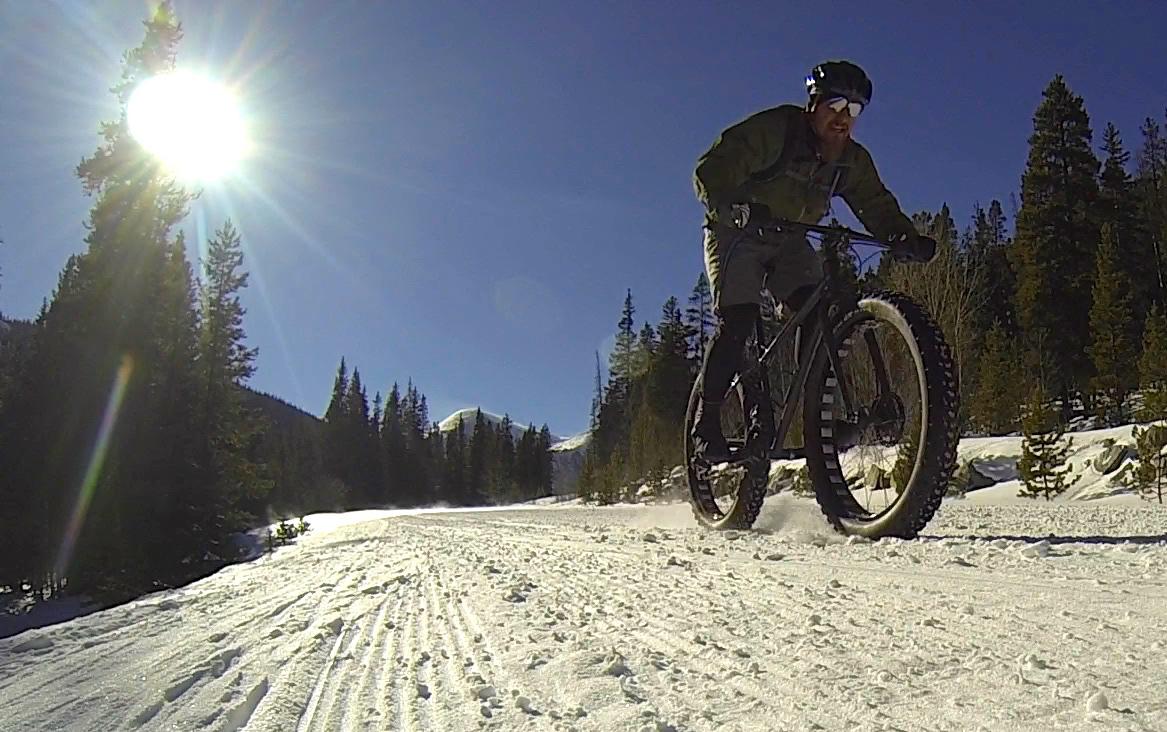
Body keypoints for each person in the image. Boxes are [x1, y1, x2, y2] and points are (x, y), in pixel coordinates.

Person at [690, 60, 936, 463]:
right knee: (738, 320)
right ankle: (706, 422)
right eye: (836, 105)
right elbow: (711, 170)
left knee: (818, 313)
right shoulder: (777, 130)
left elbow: (875, 204)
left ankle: (817, 415)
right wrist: (733, 207)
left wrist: (903, 237)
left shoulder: (851, 160)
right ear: (813, 104)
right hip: (737, 230)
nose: (844, 118)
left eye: (854, 110)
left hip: (790, 240)